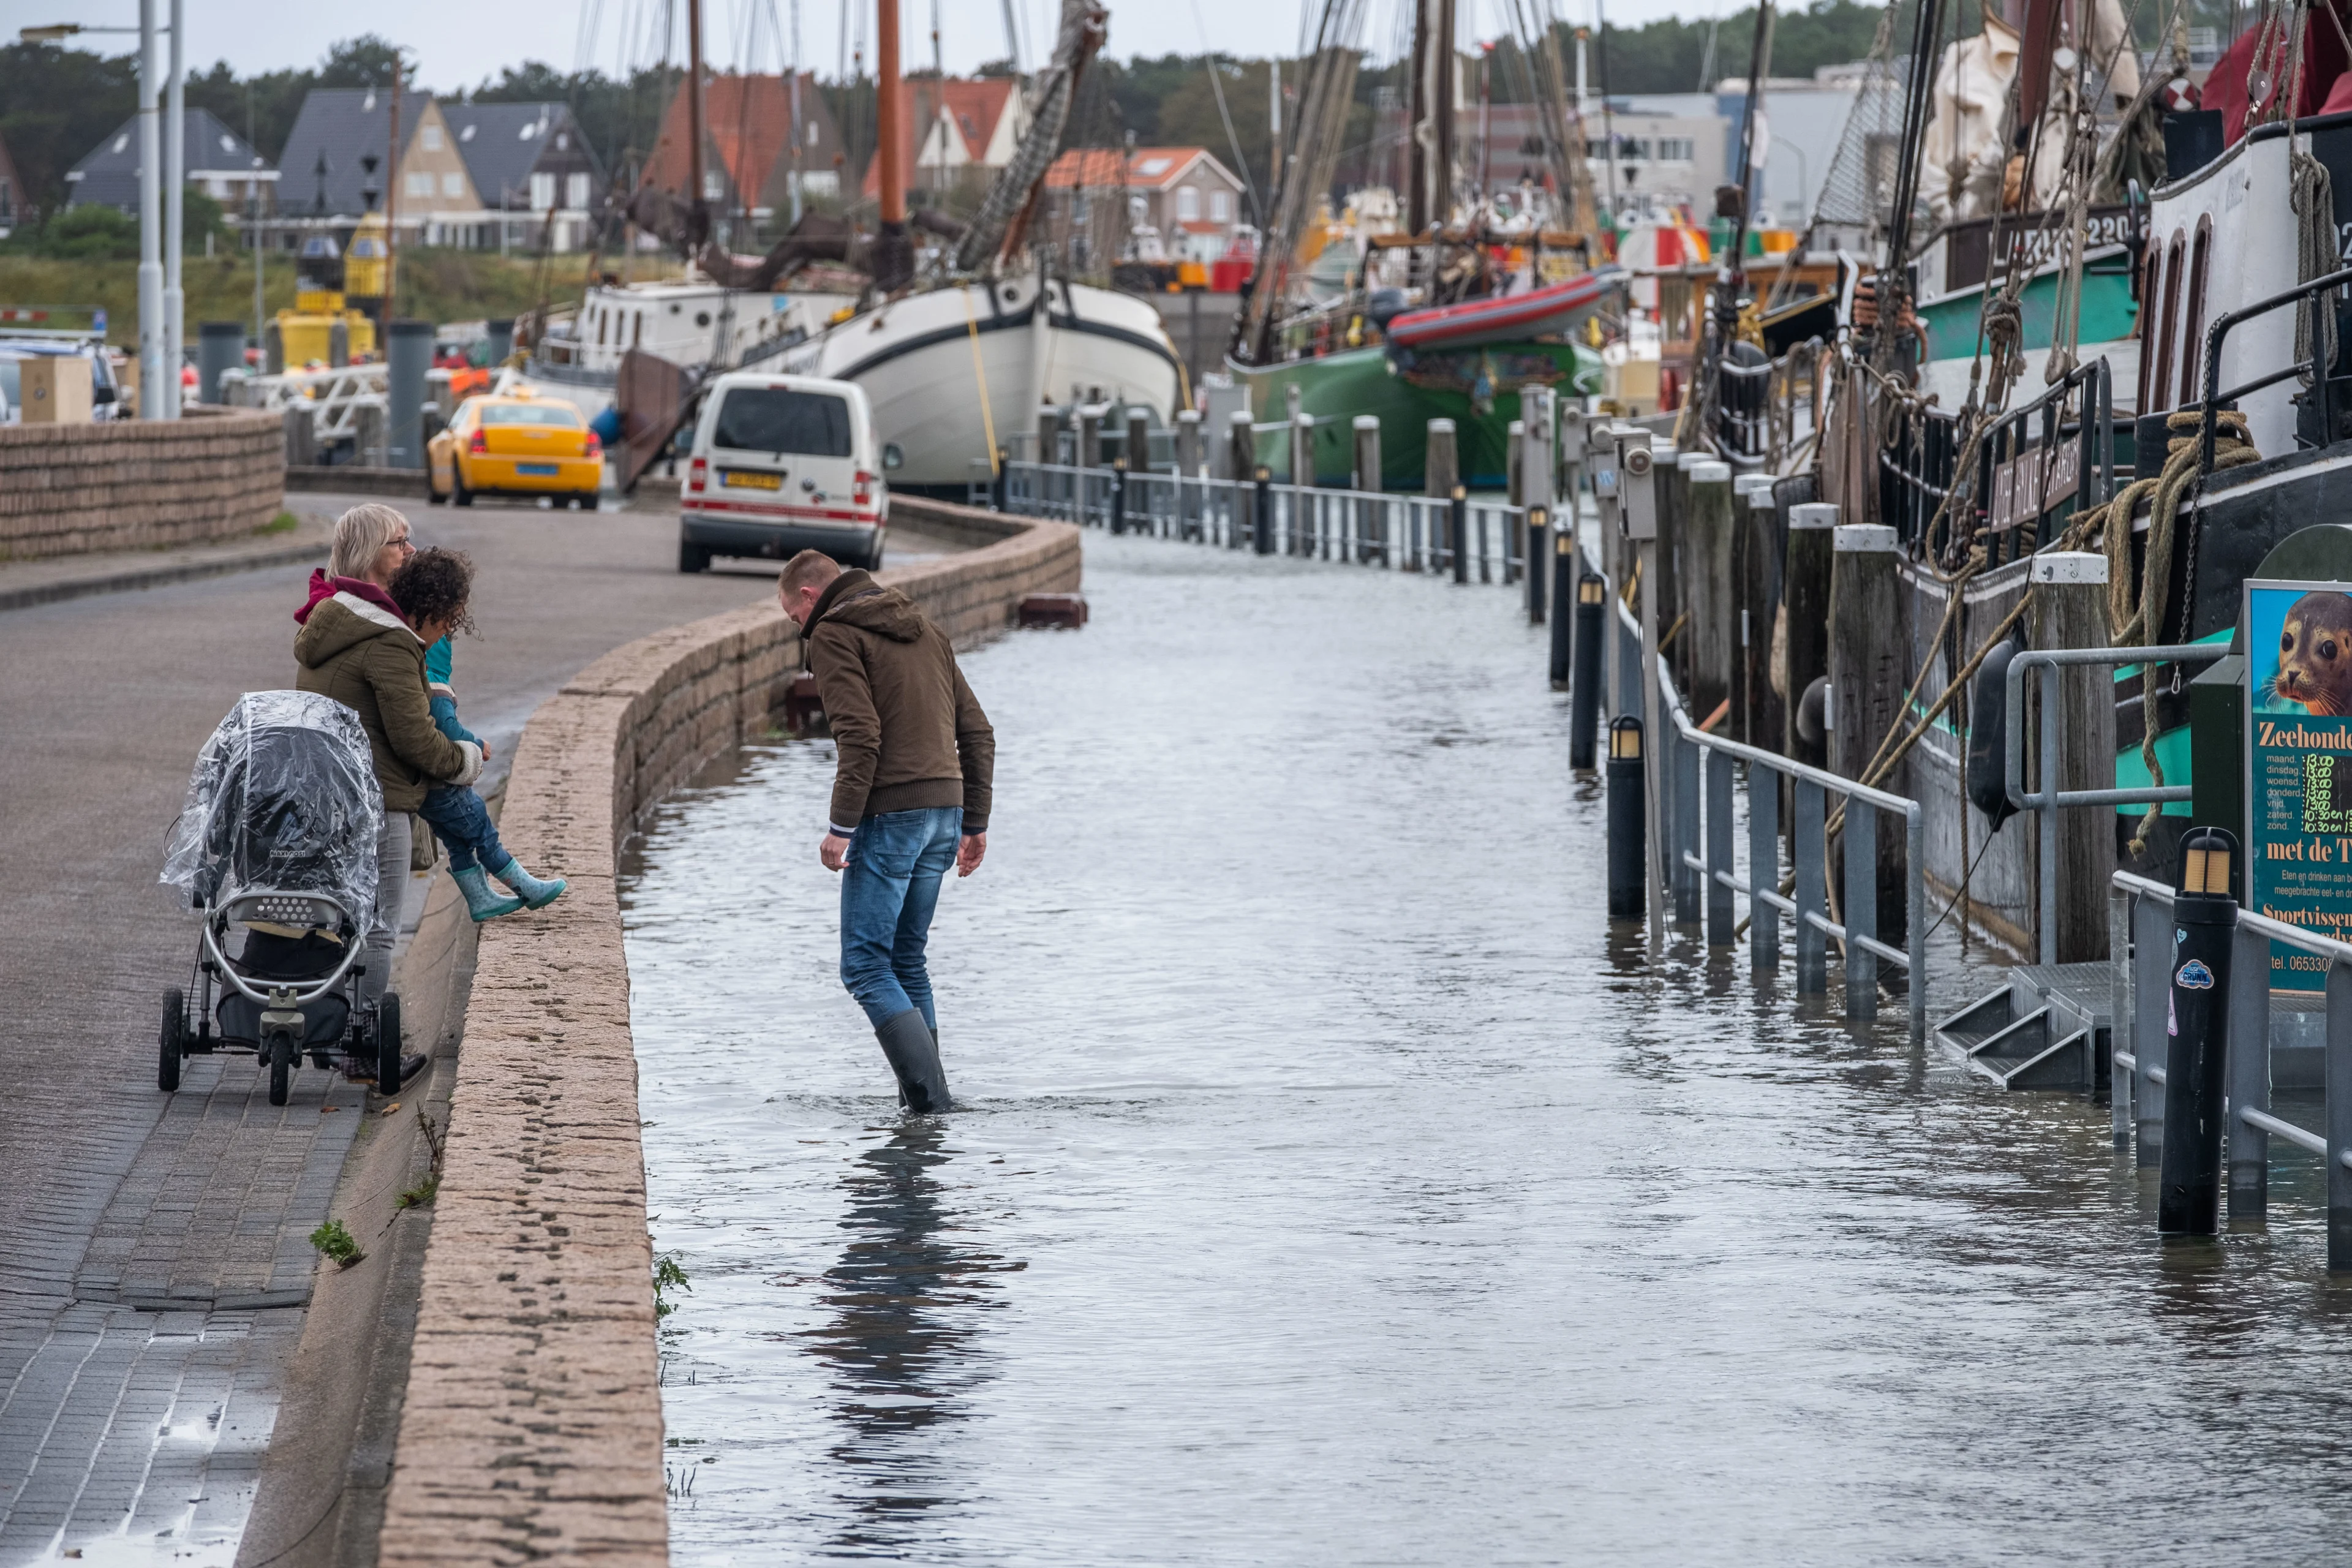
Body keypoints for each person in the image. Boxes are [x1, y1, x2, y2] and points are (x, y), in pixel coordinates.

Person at [778, 548, 993, 1114]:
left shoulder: (833, 633)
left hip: (890, 815)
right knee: (906, 959)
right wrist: (975, 822)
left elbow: (861, 737)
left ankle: (931, 1104)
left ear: (808, 596)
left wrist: (839, 827)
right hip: (945, 813)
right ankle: (926, 1111)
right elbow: (978, 733)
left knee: (866, 966)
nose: (799, 630)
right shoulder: (927, 629)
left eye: (793, 618)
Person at [293, 505, 478, 1082]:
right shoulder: (387, 637)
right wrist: (465, 761)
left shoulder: (327, 618)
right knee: (378, 925)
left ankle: (327, 1029)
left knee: (337, 918)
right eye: (402, 543)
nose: (411, 552)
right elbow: (415, 738)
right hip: (376, 801)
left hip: (324, 797)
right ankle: (362, 1046)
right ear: (374, 553)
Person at [387, 548, 567, 921]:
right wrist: (476, 744)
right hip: (442, 787)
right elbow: (446, 731)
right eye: (447, 631)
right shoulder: (435, 689)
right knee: (482, 831)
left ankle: (480, 899)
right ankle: (525, 886)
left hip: (425, 791)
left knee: (456, 842)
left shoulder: (419, 675)